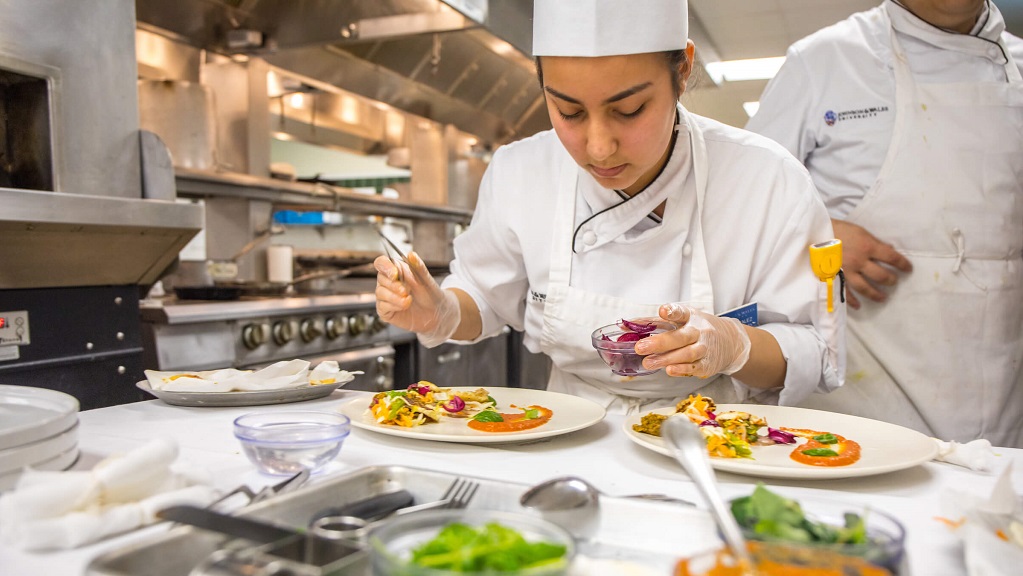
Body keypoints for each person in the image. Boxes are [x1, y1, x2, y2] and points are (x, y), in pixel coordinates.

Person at [374, 0, 844, 414]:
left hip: (717, 441)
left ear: (682, 71)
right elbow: (484, 296)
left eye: (630, 109)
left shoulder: (767, 180)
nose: (598, 148)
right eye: (569, 112)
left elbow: (813, 348)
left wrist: (736, 345)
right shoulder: (520, 171)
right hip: (571, 436)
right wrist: (442, 313)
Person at [746, 0, 1023, 447]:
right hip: (861, 389)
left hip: (999, 394)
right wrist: (819, 233)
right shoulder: (825, 60)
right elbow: (742, 198)